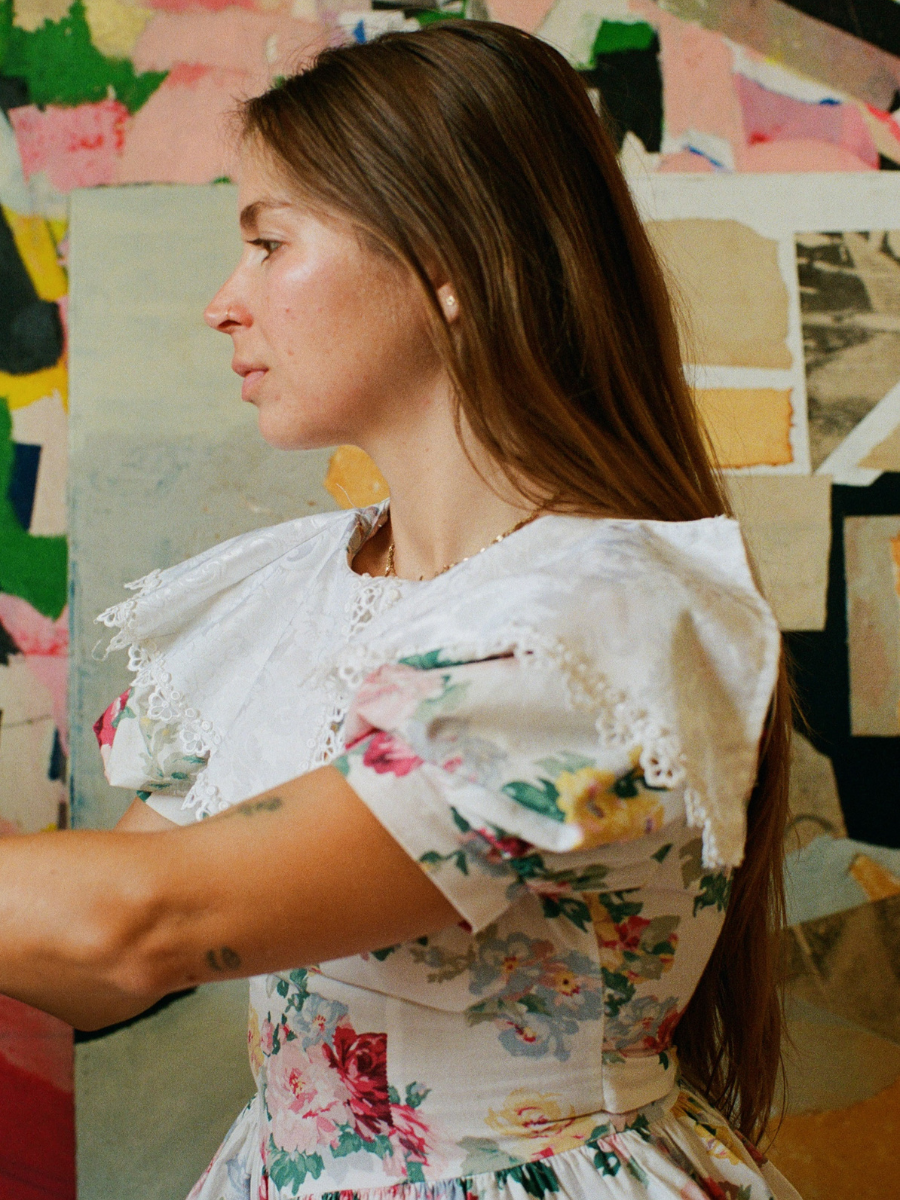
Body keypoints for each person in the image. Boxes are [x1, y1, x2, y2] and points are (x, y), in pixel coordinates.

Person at [1, 21, 801, 1200]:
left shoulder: (601, 618)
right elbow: (102, 969)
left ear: (448, 262)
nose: (227, 303)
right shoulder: (285, 595)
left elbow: (143, 923)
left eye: (270, 242)